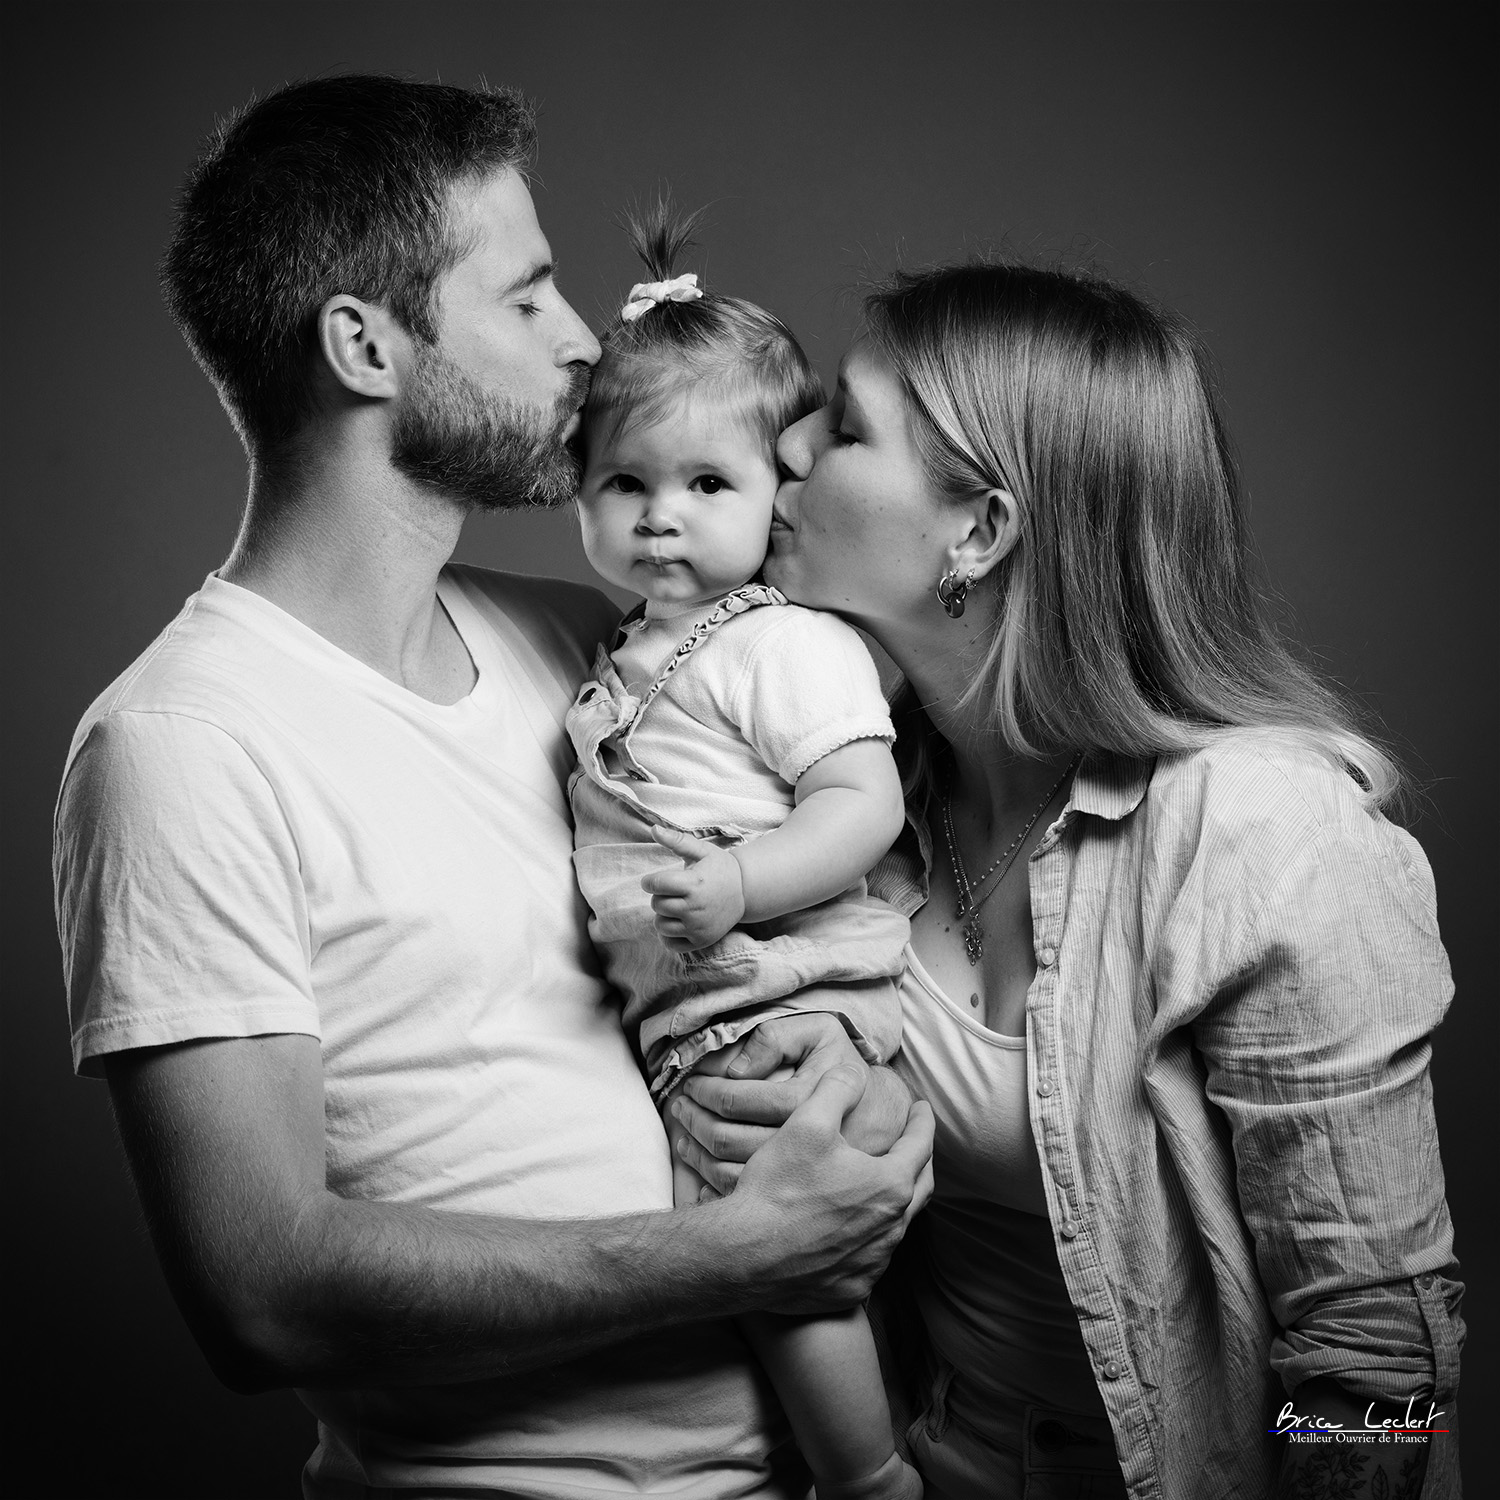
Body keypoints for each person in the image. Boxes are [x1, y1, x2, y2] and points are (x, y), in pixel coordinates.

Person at [51, 75, 934, 1498]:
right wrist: (740, 1253)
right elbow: (259, 1294)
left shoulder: (588, 649)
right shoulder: (183, 745)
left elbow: (878, 752)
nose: (586, 342)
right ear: (364, 344)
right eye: (525, 297)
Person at [670, 262, 1464, 1497]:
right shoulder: (851, 808)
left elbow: (1381, 1373)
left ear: (977, 533)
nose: (789, 436)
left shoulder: (1266, 832)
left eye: (848, 422)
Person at [567, 206, 919, 1500]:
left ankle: (869, 1479)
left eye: (709, 485)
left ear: (778, 498)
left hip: (781, 1005)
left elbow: (861, 805)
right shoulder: (626, 658)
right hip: (706, 1014)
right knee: (747, 1263)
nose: (663, 519)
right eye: (627, 483)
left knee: (777, 1265)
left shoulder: (779, 645)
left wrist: (740, 883)